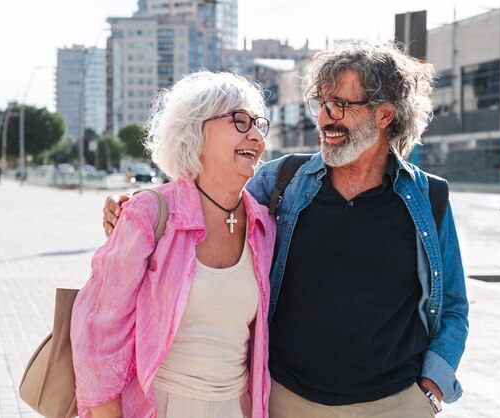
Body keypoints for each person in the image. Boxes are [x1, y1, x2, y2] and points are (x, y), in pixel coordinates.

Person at [104, 42, 469, 417]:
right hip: (288, 400)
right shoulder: (283, 180)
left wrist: (430, 391)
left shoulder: (430, 198)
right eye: (320, 103)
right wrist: (141, 206)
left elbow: (454, 307)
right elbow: (210, 200)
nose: (326, 118)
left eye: (341, 104)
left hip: (393, 403)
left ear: (384, 115)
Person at [71, 71, 276, 418]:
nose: (256, 136)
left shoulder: (264, 224)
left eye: (258, 124)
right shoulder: (150, 214)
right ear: (195, 132)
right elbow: (98, 336)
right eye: (240, 121)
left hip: (238, 407)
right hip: (160, 405)